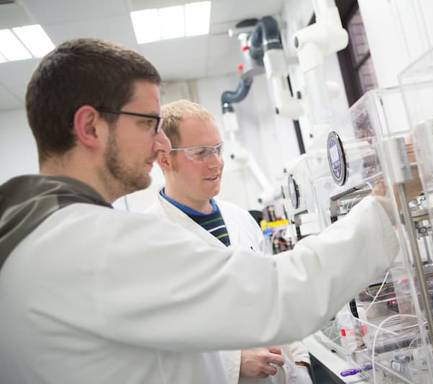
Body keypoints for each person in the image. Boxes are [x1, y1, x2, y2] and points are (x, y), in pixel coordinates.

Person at [0, 38, 399, 384]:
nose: (159, 145)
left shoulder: (32, 238)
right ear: (90, 127)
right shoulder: (91, 244)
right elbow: (280, 294)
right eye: (148, 124)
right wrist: (385, 203)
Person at [150, 100, 312, 384]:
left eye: (218, 149)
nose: (216, 162)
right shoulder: (148, 240)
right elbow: (155, 343)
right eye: (201, 153)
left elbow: (274, 296)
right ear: (165, 159)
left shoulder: (241, 219)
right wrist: (234, 361)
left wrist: (299, 359)